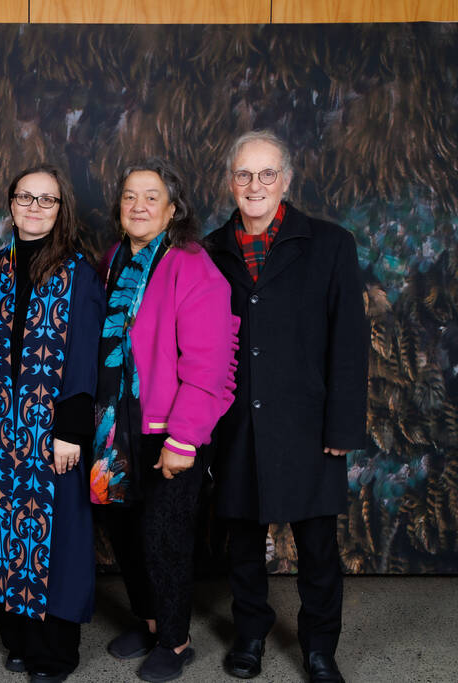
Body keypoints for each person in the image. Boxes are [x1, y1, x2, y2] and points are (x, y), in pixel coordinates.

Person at [206, 131, 368, 683]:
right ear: (231, 182)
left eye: (267, 174)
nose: (255, 185)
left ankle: (320, 646)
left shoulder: (331, 244)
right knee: (244, 545)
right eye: (245, 175)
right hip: (236, 424)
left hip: (308, 422)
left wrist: (344, 423)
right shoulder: (209, 250)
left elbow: (349, 341)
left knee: (319, 548)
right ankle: (250, 633)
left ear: (287, 181)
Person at [91, 159, 239, 682]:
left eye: (151, 197)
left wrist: (185, 438)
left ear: (173, 209)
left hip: (168, 430)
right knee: (125, 532)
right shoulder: (114, 259)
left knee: (164, 536)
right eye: (130, 196)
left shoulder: (190, 264)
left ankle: (175, 642)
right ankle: (152, 622)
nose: (138, 206)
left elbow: (211, 361)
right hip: (115, 428)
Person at [0, 164, 104, 683]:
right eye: (26, 198)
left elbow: (85, 355)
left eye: (47, 200)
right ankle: (16, 640)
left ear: (61, 209)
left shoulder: (79, 274)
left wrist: (68, 429)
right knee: (0, 528)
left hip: (51, 428)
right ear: (12, 203)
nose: (35, 208)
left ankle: (55, 654)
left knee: (55, 536)